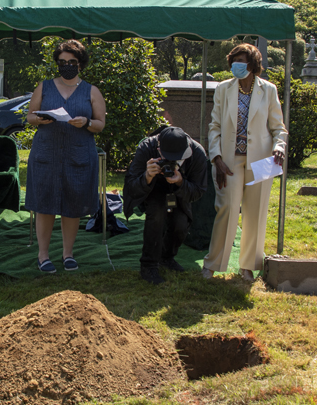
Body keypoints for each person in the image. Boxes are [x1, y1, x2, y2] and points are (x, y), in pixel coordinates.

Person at [203, 42, 287, 282]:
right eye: (234, 61)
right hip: (228, 161)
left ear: (253, 64)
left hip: (262, 161)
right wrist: (216, 157)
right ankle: (213, 263)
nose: (237, 65)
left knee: (256, 212)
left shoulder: (268, 90)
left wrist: (279, 146)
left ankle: (248, 266)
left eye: (242, 61)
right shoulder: (223, 89)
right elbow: (215, 126)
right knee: (227, 209)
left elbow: (278, 127)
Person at [24, 40, 107, 273]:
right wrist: (38, 119)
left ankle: (67, 254)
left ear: (80, 64)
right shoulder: (44, 86)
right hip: (46, 154)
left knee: (73, 204)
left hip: (78, 155)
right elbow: (30, 116)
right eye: (62, 62)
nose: (66, 66)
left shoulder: (92, 91)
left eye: (71, 62)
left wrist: (87, 122)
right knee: (45, 204)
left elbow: (100, 124)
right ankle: (43, 256)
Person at [123, 126, 208, 284]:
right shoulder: (147, 148)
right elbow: (131, 187)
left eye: (178, 158)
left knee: (181, 224)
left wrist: (181, 182)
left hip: (180, 192)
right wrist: (147, 176)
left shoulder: (197, 153)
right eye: (167, 158)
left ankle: (167, 257)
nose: (172, 162)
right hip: (152, 189)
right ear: (158, 147)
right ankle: (148, 265)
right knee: (157, 214)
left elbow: (198, 190)